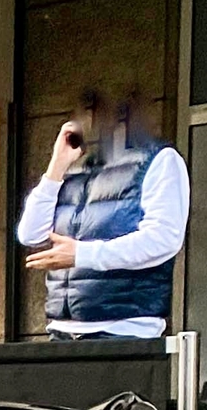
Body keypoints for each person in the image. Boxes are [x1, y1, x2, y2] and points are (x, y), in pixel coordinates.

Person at [17, 108, 189, 340]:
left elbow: (163, 239)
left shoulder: (158, 160)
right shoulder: (74, 169)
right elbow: (30, 234)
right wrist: (57, 165)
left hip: (124, 331)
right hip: (62, 331)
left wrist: (83, 254)